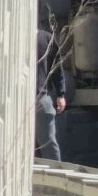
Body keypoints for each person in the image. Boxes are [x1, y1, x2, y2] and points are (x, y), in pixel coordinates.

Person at [35, 28, 67, 161]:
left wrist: (61, 94)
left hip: (40, 96)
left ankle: (57, 175)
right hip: (15, 98)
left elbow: (57, 68)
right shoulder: (11, 37)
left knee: (48, 142)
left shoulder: (47, 38)